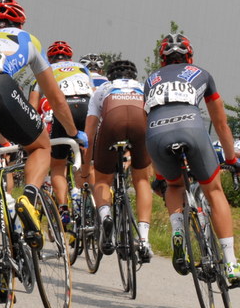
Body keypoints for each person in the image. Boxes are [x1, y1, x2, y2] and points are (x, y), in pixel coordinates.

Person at [0, 0, 86, 241]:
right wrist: (73, 133)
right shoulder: (27, 38)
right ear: (20, 24)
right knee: (41, 146)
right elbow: (56, 99)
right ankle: (29, 199)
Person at [143, 33, 240, 281]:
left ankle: (178, 232)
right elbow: (220, 123)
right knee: (214, 191)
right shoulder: (202, 74)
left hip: (157, 135)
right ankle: (231, 263)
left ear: (162, 60)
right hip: (192, 129)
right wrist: (231, 160)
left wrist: (156, 174)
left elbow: (147, 124)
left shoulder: (150, 79)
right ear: (190, 56)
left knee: (173, 185)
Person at [80, 59, 154, 261]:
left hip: (113, 119)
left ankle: (105, 217)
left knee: (103, 179)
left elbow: (89, 133)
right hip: (140, 120)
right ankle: (145, 240)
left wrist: (85, 170)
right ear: (134, 76)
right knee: (142, 180)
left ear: (110, 76)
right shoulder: (143, 87)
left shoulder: (103, 88)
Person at [28, 40, 93, 224]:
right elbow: (93, 92)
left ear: (49, 59)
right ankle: (87, 200)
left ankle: (64, 207)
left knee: (58, 166)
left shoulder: (43, 71)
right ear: (69, 58)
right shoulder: (82, 68)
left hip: (64, 109)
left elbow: (33, 106)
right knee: (87, 158)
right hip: (86, 105)